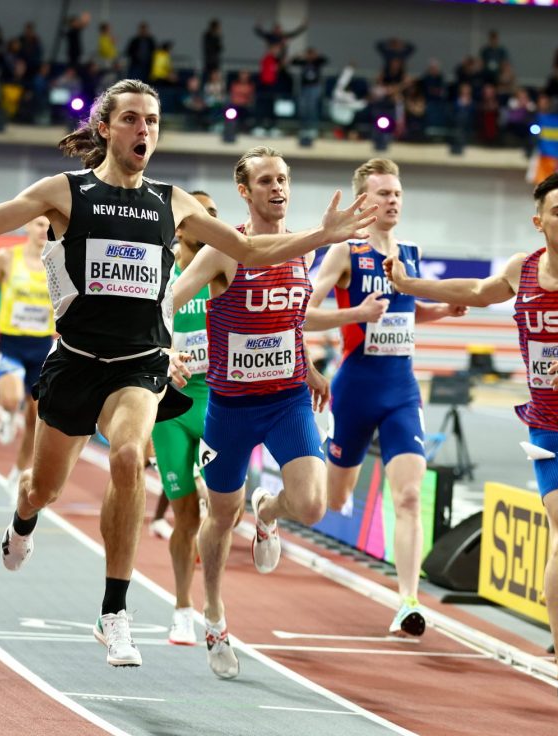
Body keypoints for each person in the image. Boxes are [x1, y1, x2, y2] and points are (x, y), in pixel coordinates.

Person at [0, 78, 375, 669]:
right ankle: (23, 519)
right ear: (105, 128)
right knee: (43, 487)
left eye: (152, 120)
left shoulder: (174, 203)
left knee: (126, 457)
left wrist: (323, 235)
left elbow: (248, 254)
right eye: (132, 119)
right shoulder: (63, 193)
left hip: (139, 364)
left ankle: (113, 612)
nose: (144, 129)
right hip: (75, 362)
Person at [383, 169, 558, 711]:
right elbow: (477, 292)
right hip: (551, 426)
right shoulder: (521, 271)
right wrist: (410, 286)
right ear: (539, 221)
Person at [170, 147, 335, 679]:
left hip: (286, 400)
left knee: (311, 505)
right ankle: (214, 613)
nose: (278, 188)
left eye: (283, 179)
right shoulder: (223, 250)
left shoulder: (303, 251)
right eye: (266, 181)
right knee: (219, 516)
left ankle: (268, 513)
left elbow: (293, 313)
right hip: (232, 407)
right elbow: (172, 297)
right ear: (245, 191)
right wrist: (165, 348)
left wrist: (307, 364)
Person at [304, 158, 466, 636]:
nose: (393, 200)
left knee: (410, 496)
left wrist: (441, 310)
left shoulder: (410, 254)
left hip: (401, 390)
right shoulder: (345, 253)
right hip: (355, 387)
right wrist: (355, 310)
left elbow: (404, 314)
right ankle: (272, 508)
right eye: (384, 194)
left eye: (397, 193)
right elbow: (304, 314)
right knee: (329, 502)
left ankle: (409, 601)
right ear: (364, 201)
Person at [149, 191, 218, 645]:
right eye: (203, 215)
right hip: (170, 409)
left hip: (216, 400)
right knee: (185, 515)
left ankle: (215, 607)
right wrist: (165, 353)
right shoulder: (159, 271)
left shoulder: (226, 269)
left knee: (221, 499)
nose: (213, 222)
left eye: (215, 215)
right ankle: (182, 607)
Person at [0, 217, 54, 491]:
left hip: (42, 347)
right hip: (12, 344)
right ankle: (7, 413)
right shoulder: (8, 258)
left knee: (36, 419)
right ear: (27, 226)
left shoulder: (58, 262)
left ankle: (19, 470)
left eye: (48, 226)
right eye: (39, 224)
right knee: (10, 398)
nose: (44, 230)